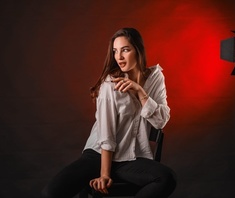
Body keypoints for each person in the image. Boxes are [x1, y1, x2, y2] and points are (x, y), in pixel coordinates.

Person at [42, 27, 176, 198]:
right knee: (51, 193)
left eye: (125, 50)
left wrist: (140, 93)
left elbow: (160, 121)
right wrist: (104, 174)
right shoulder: (110, 84)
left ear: (138, 50)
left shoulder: (155, 77)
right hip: (99, 155)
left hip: (129, 157)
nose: (119, 57)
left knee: (167, 178)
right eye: (115, 51)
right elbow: (107, 135)